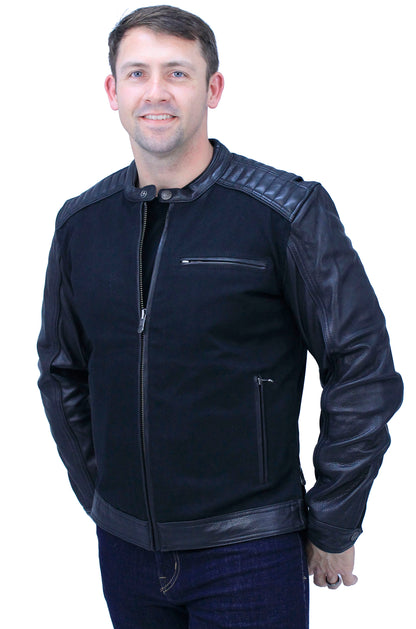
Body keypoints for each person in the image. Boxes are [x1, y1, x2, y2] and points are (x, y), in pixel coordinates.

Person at [37, 5, 403, 628]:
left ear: (213, 89)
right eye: (137, 73)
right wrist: (104, 499)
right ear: (113, 92)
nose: (156, 92)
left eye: (177, 73)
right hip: (124, 553)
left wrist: (335, 520)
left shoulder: (285, 211)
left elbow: (362, 369)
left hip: (249, 551)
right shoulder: (81, 224)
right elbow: (61, 371)